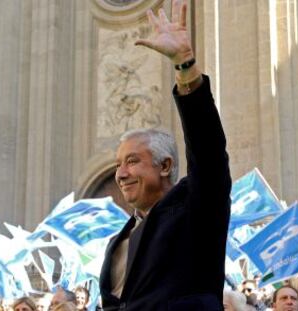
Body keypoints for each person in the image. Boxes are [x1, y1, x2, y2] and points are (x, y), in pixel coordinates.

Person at [99, 0, 232, 310]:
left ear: (166, 165)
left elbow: (208, 152)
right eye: (119, 164)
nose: (121, 174)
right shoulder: (117, 242)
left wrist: (185, 65)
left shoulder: (195, 208)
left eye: (132, 161)